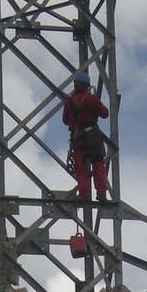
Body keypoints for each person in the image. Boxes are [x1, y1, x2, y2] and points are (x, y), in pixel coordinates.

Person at [62, 70, 109, 201]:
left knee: (80, 167)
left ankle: (84, 194)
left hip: (78, 139)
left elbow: (65, 120)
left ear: (75, 85)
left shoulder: (69, 102)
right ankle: (101, 194)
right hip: (93, 137)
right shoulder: (92, 99)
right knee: (98, 164)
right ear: (87, 86)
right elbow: (105, 113)